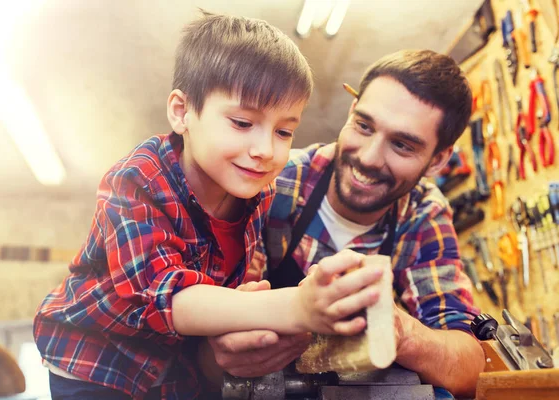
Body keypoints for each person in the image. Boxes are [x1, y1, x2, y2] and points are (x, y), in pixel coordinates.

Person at [33, 11, 392, 400]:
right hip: (96, 363)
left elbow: (230, 289)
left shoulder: (259, 194)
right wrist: (295, 306)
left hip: (172, 371)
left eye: (284, 131)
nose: (265, 150)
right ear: (182, 112)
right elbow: (170, 299)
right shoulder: (137, 180)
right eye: (241, 122)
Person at [206, 49, 485, 398]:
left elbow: (472, 366)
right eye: (364, 126)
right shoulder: (274, 180)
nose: (368, 157)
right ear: (351, 111)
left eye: (401, 145)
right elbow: (201, 338)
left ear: (438, 159)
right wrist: (230, 336)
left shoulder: (423, 215)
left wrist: (401, 332)